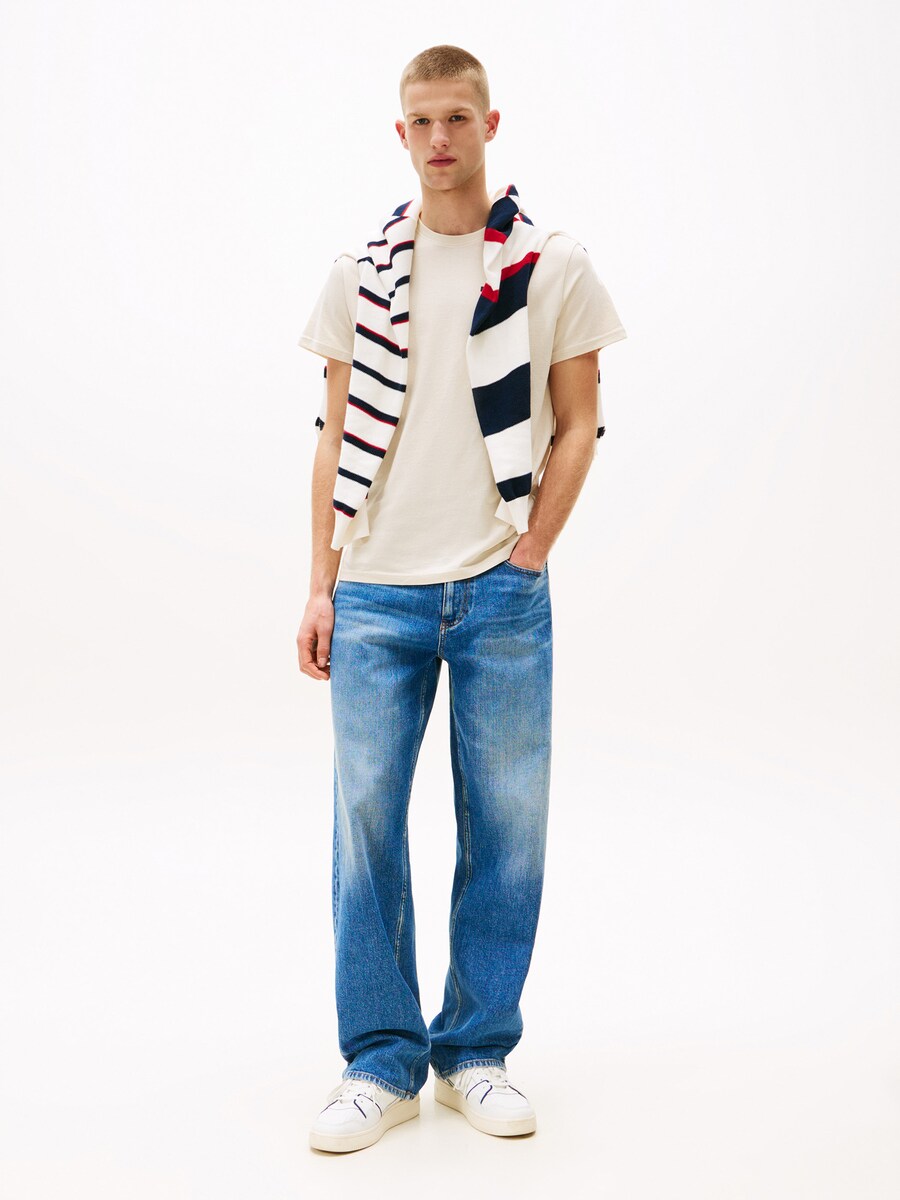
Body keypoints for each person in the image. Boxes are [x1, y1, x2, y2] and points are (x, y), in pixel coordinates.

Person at [296, 44, 627, 1154]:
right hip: (376, 589)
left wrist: (530, 552)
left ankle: (475, 1052)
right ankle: (380, 1061)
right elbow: (332, 437)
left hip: (498, 589)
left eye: (458, 118)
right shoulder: (361, 273)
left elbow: (579, 422)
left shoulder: (550, 263)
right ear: (401, 134)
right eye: (421, 122)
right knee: (365, 828)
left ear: (490, 125)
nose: (440, 139)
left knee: (509, 831)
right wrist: (320, 584)